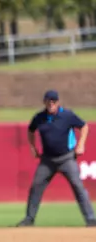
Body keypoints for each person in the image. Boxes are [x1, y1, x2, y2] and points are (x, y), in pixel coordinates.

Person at [16, 90, 96, 227]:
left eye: (53, 101)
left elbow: (84, 126)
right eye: (48, 101)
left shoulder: (67, 115)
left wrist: (81, 144)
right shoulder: (39, 117)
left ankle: (91, 219)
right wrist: (33, 147)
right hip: (47, 160)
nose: (51, 104)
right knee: (36, 186)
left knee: (78, 187)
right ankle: (29, 219)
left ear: (58, 102)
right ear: (44, 102)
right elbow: (31, 130)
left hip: (66, 158)